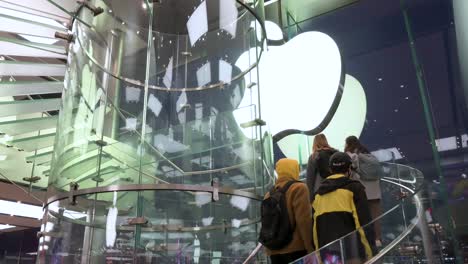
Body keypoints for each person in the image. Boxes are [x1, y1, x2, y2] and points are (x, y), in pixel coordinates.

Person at [311, 152, 375, 262]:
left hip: (329, 256)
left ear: (331, 170)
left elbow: (315, 230)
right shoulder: (355, 188)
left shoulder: (318, 195)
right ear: (349, 168)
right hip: (353, 253)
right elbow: (364, 224)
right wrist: (371, 253)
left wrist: (319, 257)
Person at [265, 158, 314, 264]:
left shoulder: (269, 194)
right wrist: (310, 248)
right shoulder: (299, 188)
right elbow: (304, 221)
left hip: (274, 252)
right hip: (296, 250)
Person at [345, 136, 383, 247]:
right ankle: (378, 239)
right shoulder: (368, 154)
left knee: (362, 218)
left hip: (362, 191)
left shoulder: (352, 155)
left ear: (348, 144)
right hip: (375, 192)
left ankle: (365, 241)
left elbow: (353, 170)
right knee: (376, 217)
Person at [306, 134, 337, 199]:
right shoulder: (335, 154)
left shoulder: (314, 156)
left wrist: (310, 198)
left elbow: (310, 179)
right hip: (336, 189)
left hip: (320, 191)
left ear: (315, 143)